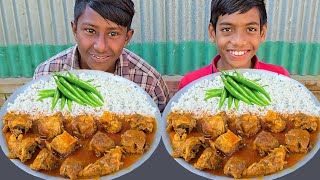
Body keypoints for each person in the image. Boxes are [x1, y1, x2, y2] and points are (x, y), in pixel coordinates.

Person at [33, 0, 169, 112]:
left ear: (127, 37)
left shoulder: (149, 83)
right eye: (90, 31)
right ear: (75, 30)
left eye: (113, 34)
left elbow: (164, 135)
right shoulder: (45, 76)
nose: (101, 47)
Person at [178, 0, 290, 90]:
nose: (238, 42)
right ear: (212, 33)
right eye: (227, 29)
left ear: (262, 32)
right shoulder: (191, 83)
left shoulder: (279, 78)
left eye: (250, 29)